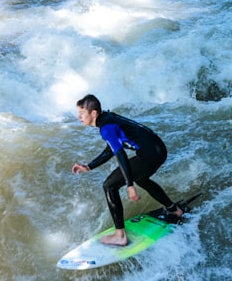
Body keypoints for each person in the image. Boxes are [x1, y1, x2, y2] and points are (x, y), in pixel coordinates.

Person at [71, 94, 185, 246]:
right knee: (142, 179)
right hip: (158, 149)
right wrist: (89, 166)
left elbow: (120, 154)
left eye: (82, 113)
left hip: (150, 154)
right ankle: (174, 209)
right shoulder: (107, 118)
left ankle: (120, 235)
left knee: (109, 186)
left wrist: (129, 185)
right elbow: (111, 148)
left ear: (93, 113)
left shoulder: (106, 128)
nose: (79, 117)